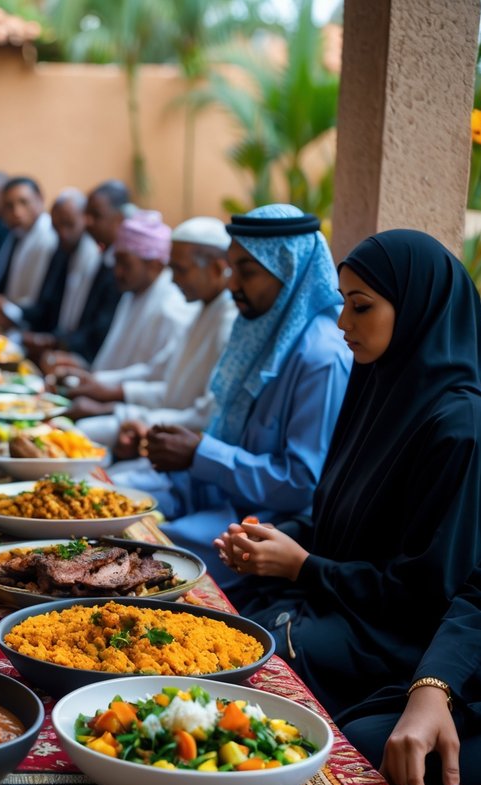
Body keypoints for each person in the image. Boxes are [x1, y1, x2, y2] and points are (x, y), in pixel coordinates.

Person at [213, 230, 481, 785]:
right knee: (222, 615)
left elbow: (431, 592)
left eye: (361, 305)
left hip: (396, 630)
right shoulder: (379, 385)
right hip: (343, 598)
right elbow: (340, 513)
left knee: (258, 650)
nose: (343, 321)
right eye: (344, 301)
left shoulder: (462, 427)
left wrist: (302, 566)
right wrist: (275, 537)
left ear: (417, 307)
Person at [113, 204, 351, 570]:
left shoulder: (322, 356)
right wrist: (177, 454)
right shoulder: (261, 327)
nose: (232, 285)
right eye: (232, 269)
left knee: (129, 551)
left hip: (260, 529)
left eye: (248, 272)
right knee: (103, 505)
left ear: (288, 270)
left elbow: (301, 484)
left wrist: (200, 454)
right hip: (210, 497)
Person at [69, 216, 237, 449]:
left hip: (174, 445)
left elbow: (203, 417)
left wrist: (120, 411)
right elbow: (164, 379)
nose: (173, 279)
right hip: (150, 422)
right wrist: (99, 386)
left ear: (217, 269)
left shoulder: (225, 321)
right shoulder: (201, 306)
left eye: (180, 270)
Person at [51, 210, 196, 391]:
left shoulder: (172, 308)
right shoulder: (132, 293)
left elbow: (156, 378)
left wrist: (97, 382)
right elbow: (116, 361)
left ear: (155, 265)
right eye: (116, 262)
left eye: (125, 264)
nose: (117, 272)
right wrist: (86, 373)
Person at [26, 180, 131, 364]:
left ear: (119, 219)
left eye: (96, 215)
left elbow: (100, 328)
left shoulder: (110, 261)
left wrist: (59, 344)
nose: (88, 222)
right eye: (87, 214)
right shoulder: (97, 254)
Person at [0, 176, 57, 310]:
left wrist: (5, 304)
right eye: (9, 206)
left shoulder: (49, 237)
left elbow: (37, 300)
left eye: (24, 202)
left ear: (40, 200)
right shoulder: (16, 234)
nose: (17, 212)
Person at [19, 189, 101, 334]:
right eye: (57, 227)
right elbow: (46, 305)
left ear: (85, 219)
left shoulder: (95, 257)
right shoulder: (60, 252)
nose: (63, 233)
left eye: (69, 225)